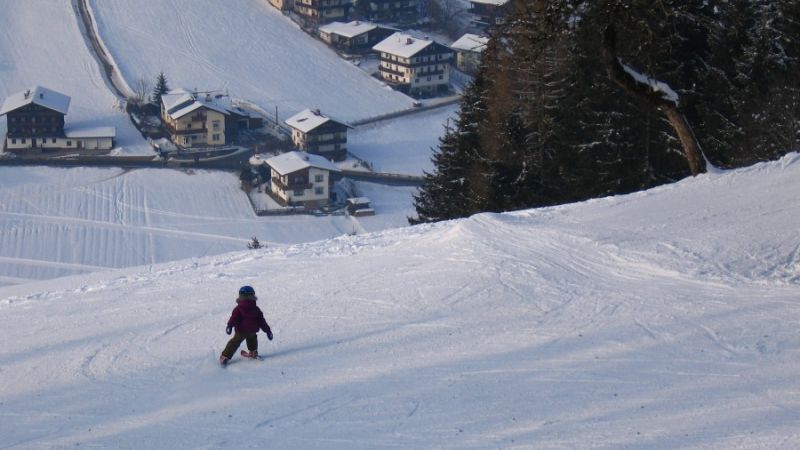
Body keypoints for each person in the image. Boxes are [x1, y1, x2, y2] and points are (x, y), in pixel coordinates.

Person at [219, 285, 273, 366]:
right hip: (252, 331)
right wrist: (268, 330)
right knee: (252, 341)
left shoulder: (238, 309)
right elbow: (262, 321)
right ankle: (253, 352)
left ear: (240, 296)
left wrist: (230, 325)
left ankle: (225, 356)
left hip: (241, 331)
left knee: (234, 343)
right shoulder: (256, 309)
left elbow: (234, 318)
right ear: (253, 296)